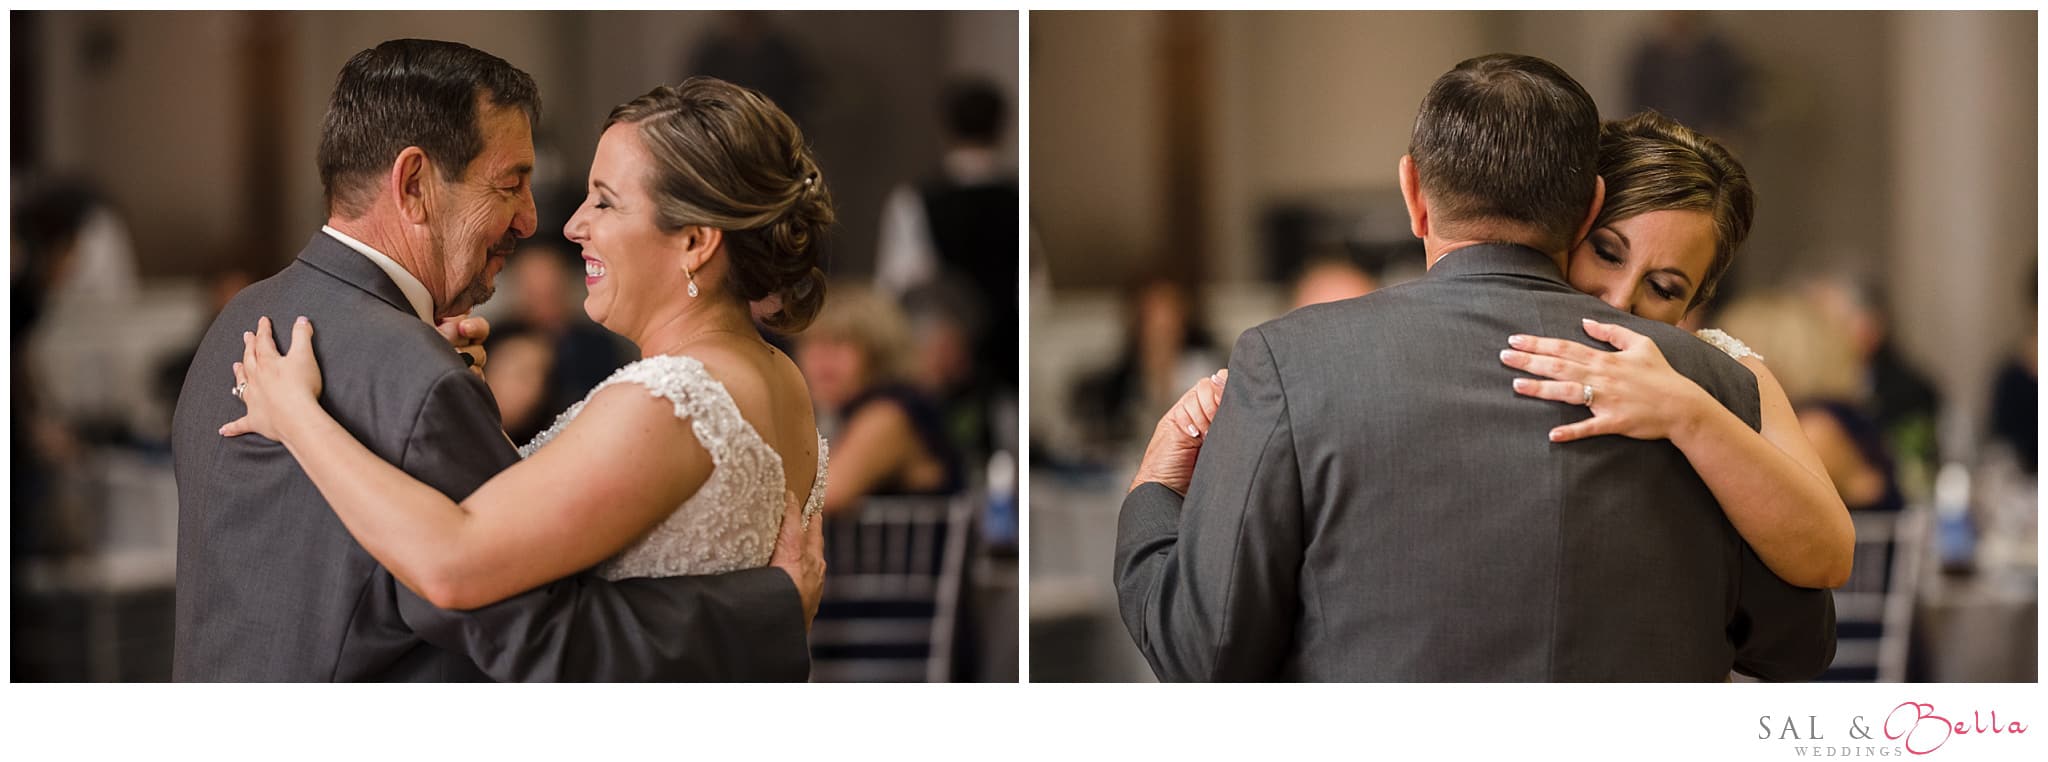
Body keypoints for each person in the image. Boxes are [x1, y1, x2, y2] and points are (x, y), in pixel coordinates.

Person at [1114, 54, 1836, 681]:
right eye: (1610, 254)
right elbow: (1798, 640)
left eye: (1665, 285)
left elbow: (1206, 653)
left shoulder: (1293, 363)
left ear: (1413, 192)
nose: (1618, 301)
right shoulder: (1713, 379)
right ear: (1585, 211)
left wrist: (1153, 491)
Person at [171, 40, 823, 681]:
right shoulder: (778, 378)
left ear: (694, 242)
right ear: (416, 184)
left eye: (605, 200)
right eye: (513, 183)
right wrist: (768, 615)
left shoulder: (247, 321)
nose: (558, 224)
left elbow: (462, 573)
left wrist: (299, 416)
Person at [796, 283, 962, 514]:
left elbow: (827, 494)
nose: (822, 359)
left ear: (878, 353)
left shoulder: (890, 413)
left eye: (840, 342)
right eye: (812, 344)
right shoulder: (846, 412)